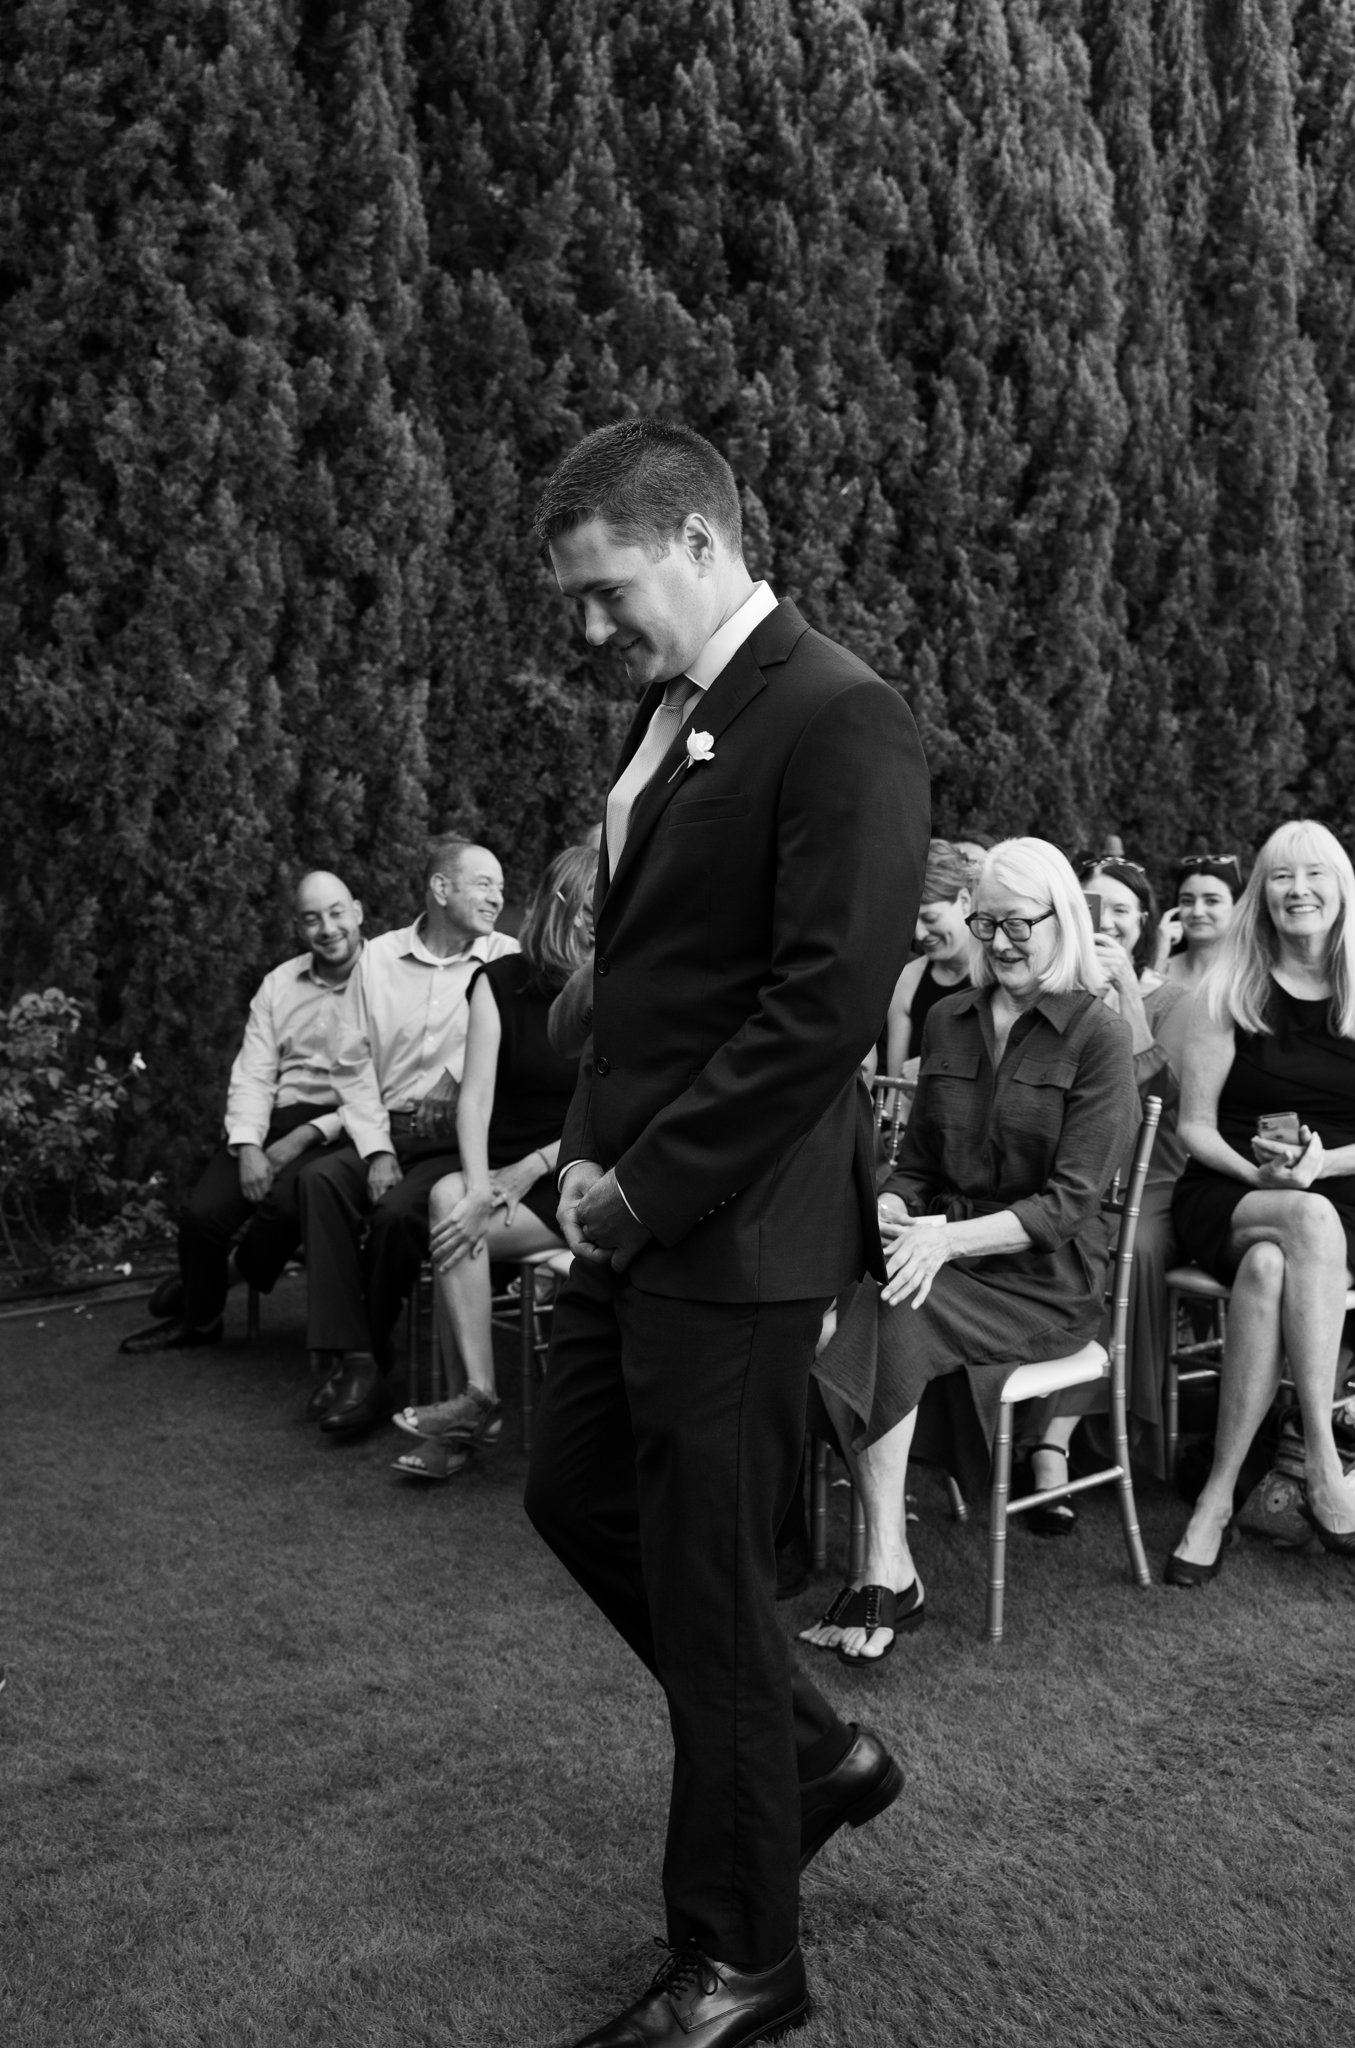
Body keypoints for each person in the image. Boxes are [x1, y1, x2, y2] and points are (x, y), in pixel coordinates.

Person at [520, 417, 928, 2048]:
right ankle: (819, 1749)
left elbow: (817, 1012)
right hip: (634, 1215)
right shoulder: (666, 716)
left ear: (699, 543)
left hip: (738, 1238)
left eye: (609, 589)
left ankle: (744, 1957)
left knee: (702, 1585)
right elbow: (672, 971)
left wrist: (641, 1181)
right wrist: (577, 1112)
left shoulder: (843, 716)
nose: (593, 628)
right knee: (573, 1491)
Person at [803, 839, 1138, 1663]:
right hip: (941, 1251)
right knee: (825, 1292)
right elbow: (915, 1167)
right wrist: (888, 1208)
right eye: (983, 922)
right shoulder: (948, 1019)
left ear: (1062, 918)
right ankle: (882, 1559)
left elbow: (1067, 1206)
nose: (997, 941)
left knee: (885, 1306)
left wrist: (944, 1241)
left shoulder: (1097, 1036)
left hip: (1044, 1280)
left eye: (1016, 923)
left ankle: (883, 1568)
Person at [1166, 820, 1355, 1583]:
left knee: (1267, 1272)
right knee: (1299, 1221)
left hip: (1346, 1197)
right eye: (1280, 876)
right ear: (1262, 892)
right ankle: (1320, 1458)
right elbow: (1193, 1128)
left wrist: (1319, 1168)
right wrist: (1272, 1182)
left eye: (1314, 873)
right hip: (1232, 1189)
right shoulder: (1231, 989)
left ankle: (1215, 1498)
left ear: (1341, 888)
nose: (1297, 890)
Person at [294, 838, 519, 1435]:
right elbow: (349, 1063)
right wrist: (376, 1151)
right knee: (319, 1180)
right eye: (484, 884)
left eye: (500, 885)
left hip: (454, 1140)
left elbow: (520, 1054)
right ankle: (361, 1356)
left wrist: (456, 1078)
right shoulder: (377, 960)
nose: (498, 896)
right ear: (442, 890)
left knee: (396, 1216)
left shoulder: (508, 958)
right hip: (382, 1129)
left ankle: (362, 1366)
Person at [390, 846, 596, 1480]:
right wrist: (481, 1188)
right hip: (501, 1174)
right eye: (594, 907)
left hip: (572, 1179)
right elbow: (473, 1102)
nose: (601, 922)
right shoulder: (499, 981)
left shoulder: (615, 986)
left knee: (451, 1216)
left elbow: (617, 1116)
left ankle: (469, 1414)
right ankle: (478, 1396)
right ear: (561, 903)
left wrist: (531, 1167)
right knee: (454, 1202)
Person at [118, 871, 363, 1356]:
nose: (328, 928)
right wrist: (249, 1145)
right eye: (312, 919)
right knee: (201, 1218)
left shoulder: (388, 980)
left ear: (357, 912)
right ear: (299, 928)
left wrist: (306, 1137)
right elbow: (253, 1072)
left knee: (286, 1206)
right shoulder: (280, 984)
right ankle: (200, 1321)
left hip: (349, 1126)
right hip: (278, 1116)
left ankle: (223, 1276)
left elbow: (391, 1084)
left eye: (337, 914)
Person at [1076, 853, 1188, 1476]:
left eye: (1123, 909)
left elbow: (1162, 1102)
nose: (1109, 920)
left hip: (1157, 1179)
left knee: (1130, 1243)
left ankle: (1103, 1431)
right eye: (1096, 906)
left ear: (1145, 922)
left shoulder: (1175, 999)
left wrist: (1126, 995)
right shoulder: (1060, 987)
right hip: (1080, 1171)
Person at [883, 838, 977, 1083]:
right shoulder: (907, 980)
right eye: (911, 921)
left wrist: (934, 1064)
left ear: (965, 902)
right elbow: (897, 1088)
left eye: (931, 918)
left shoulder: (1002, 973)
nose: (919, 934)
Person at [1151, 854, 1243, 992]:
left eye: (1212, 901)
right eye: (1187, 901)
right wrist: (1159, 959)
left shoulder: (1250, 975)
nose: (1197, 912)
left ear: (1238, 906)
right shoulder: (1157, 968)